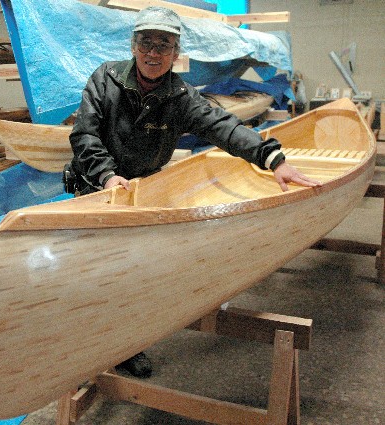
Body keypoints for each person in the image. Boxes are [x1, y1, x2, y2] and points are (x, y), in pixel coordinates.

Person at [68, 6, 322, 377]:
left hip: (142, 192)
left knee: (135, 275)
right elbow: (84, 134)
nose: (153, 53)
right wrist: (107, 177)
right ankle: (80, 342)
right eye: (146, 43)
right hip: (96, 186)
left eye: (163, 44)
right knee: (91, 273)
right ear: (134, 45)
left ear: (175, 52)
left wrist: (273, 158)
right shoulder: (104, 78)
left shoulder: (181, 96)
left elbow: (224, 128)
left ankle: (125, 346)